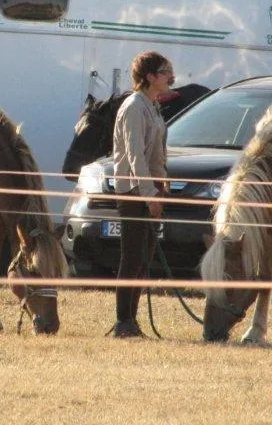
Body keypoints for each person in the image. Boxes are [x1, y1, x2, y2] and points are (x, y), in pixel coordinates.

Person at [109, 51, 175, 337]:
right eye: (165, 72)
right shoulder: (134, 106)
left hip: (150, 189)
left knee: (144, 257)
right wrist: (149, 195)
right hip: (135, 191)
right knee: (132, 256)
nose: (171, 77)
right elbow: (135, 154)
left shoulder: (152, 105)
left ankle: (132, 321)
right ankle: (124, 321)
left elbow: (156, 152)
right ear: (150, 77)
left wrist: (163, 183)